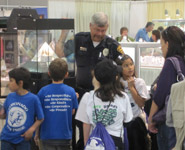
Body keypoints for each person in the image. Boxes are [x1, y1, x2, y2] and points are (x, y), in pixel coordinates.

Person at [75, 12, 124, 150]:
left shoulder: (112, 45)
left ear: (107, 27)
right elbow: (62, 55)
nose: (100, 33)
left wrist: (113, 71)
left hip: (104, 97)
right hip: (82, 94)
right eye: (97, 29)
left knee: (104, 131)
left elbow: (123, 65)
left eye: (103, 30)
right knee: (83, 128)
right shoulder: (79, 39)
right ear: (90, 26)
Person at [75, 59, 133, 150]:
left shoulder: (88, 97)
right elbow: (127, 121)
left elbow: (85, 124)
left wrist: (87, 144)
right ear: (116, 78)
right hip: (115, 142)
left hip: (95, 143)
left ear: (97, 78)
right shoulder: (123, 97)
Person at [148, 26, 185, 150]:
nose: (161, 48)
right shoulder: (182, 61)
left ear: (168, 44)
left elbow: (160, 96)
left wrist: (151, 119)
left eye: (161, 44)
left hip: (169, 121)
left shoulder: (171, 63)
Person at [36, 58, 78, 150]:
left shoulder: (42, 92)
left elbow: (38, 115)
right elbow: (72, 112)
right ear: (66, 74)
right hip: (65, 136)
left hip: (47, 136)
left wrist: (36, 134)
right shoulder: (71, 91)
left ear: (49, 73)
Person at [0, 67, 44, 150]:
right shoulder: (10, 97)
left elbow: (40, 118)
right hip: (6, 139)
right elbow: (3, 115)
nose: (9, 83)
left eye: (11, 81)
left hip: (23, 140)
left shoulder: (33, 99)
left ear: (20, 83)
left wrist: (31, 130)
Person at [117, 54, 150, 150]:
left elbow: (141, 104)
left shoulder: (139, 82)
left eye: (131, 64)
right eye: (126, 65)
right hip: (121, 123)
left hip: (136, 122)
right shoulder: (117, 82)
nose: (130, 67)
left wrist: (132, 88)